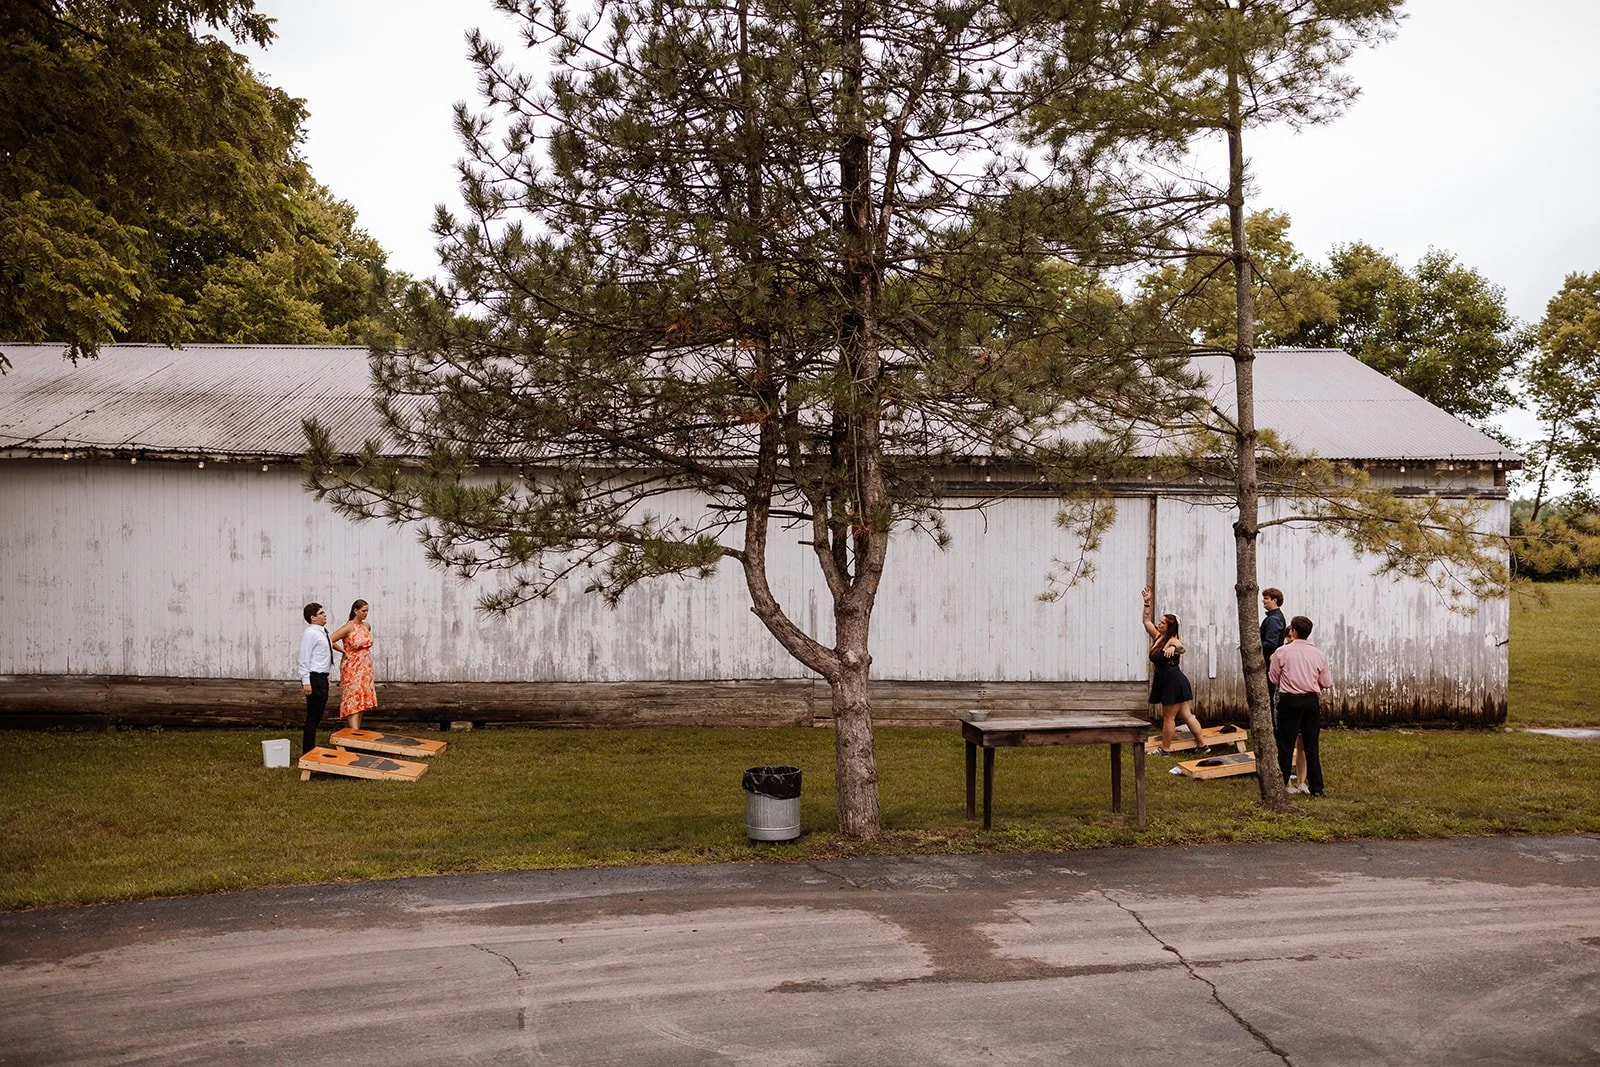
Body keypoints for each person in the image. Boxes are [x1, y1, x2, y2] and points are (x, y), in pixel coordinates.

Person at [1268, 615, 1334, 797]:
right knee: (1311, 745)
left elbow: (1273, 678)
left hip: (1289, 700)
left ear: (1293, 632)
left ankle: (1282, 784)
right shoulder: (1318, 654)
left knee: (1285, 743)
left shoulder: (1282, 652)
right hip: (1311, 701)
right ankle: (1317, 788)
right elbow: (1327, 682)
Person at [1141, 587, 1209, 755]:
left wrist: (1174, 647)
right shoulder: (1158, 637)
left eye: (1162, 623)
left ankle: (1165, 749)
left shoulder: (1172, 639)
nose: (1159, 624)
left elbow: (1182, 647)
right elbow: (1146, 621)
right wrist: (1147, 602)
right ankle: (1203, 746)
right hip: (1168, 680)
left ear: (1170, 626)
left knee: (1169, 717)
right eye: (1160, 622)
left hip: (1173, 681)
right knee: (1187, 716)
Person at [1260, 587, 1306, 787]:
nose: (1264, 602)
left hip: (1271, 664)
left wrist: (1254, 645)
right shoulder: (1273, 617)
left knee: (1272, 700)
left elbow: (1271, 643)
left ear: (1275, 600)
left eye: (1267, 599)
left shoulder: (1274, 619)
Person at [329, 599, 377, 732]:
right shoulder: (349, 627)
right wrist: (343, 651)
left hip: (365, 666)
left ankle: (355, 730)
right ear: (355, 611)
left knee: (362, 699)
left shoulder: (366, 626)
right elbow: (330, 639)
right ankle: (354, 733)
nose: (366, 613)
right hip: (352, 666)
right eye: (363, 611)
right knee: (353, 698)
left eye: (367, 611)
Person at [297, 603, 333, 756]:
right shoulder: (310, 633)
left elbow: (322, 655)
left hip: (322, 676)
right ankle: (308, 750)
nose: (325, 615)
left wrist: (327, 673)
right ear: (313, 618)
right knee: (312, 715)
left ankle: (311, 748)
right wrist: (306, 682)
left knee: (318, 714)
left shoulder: (323, 632)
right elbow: (304, 658)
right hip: (313, 677)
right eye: (321, 613)